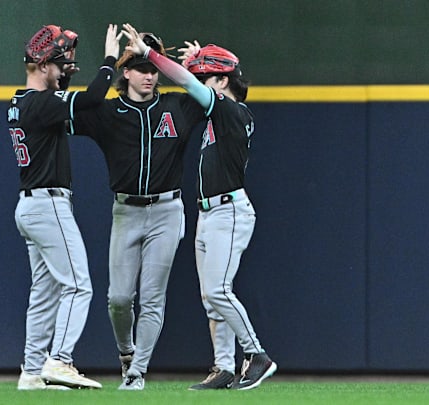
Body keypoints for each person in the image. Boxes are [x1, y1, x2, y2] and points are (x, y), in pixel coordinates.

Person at [122, 23, 277, 391]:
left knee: (220, 290)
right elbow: (193, 83)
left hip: (230, 210)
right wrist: (195, 61)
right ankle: (224, 367)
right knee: (211, 299)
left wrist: (150, 56)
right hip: (209, 212)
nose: (201, 81)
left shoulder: (231, 111)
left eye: (209, 76)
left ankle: (257, 355)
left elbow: (189, 86)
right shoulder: (221, 112)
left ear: (222, 82)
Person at [67, 31, 206, 390]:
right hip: (126, 211)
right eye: (141, 68)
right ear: (125, 73)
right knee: (118, 299)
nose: (149, 74)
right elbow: (68, 114)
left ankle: (137, 371)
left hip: (166, 210)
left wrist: (195, 60)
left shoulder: (178, 106)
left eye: (153, 68)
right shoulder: (108, 111)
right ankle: (127, 351)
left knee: (152, 297)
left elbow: (211, 95)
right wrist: (108, 60)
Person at [10, 23, 122, 391]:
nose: (64, 72)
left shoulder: (20, 103)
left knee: (44, 292)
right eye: (60, 65)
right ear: (42, 66)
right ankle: (60, 360)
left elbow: (79, 110)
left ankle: (30, 370)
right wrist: (109, 60)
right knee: (79, 285)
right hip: (47, 204)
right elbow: (90, 99)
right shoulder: (41, 102)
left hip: (30, 206)